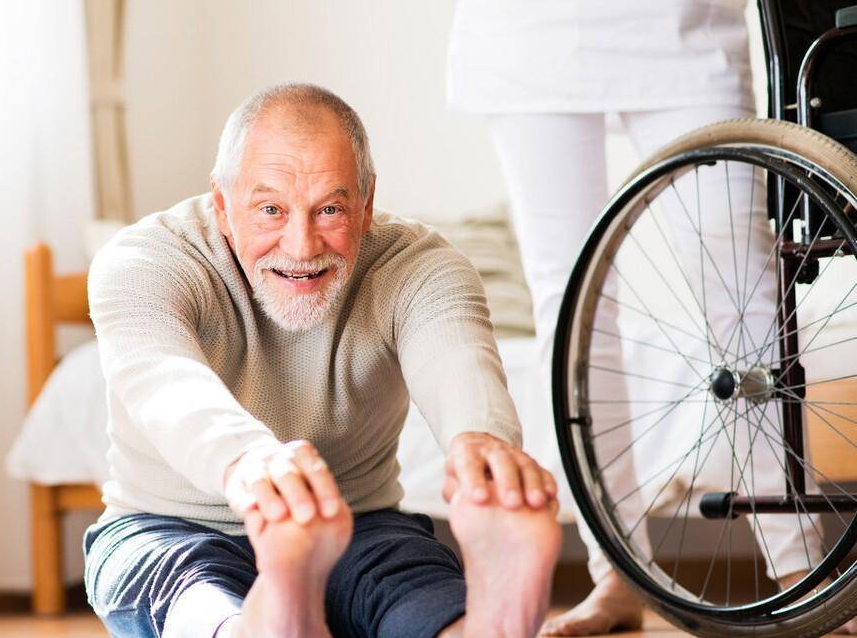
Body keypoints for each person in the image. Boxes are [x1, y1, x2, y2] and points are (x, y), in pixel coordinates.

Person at [83, 83, 561, 638]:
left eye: (329, 209)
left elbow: (456, 356)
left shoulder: (420, 265)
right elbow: (165, 383)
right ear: (221, 203)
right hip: (168, 526)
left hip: (358, 524)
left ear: (367, 203)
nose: (302, 245)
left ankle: (485, 627)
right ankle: (266, 614)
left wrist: (481, 447)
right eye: (270, 210)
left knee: (407, 583)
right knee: (190, 593)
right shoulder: (144, 260)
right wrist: (250, 464)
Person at [448, 0, 844, 635]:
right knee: (571, 308)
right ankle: (616, 574)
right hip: (526, 20)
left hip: (681, 9)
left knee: (745, 298)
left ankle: (803, 572)